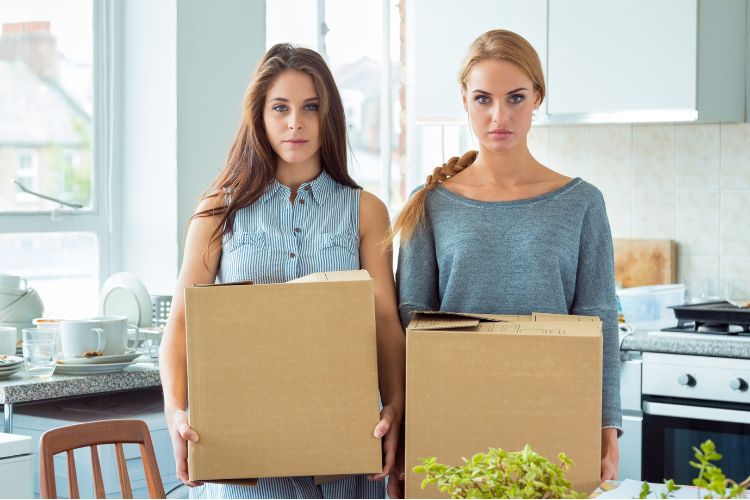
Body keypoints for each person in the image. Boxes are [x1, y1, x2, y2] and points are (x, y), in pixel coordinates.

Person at [160, 43, 405, 499]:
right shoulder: (218, 211)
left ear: (329, 116)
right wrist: (176, 411)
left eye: (311, 107)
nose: (296, 122)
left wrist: (396, 406)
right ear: (260, 116)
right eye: (281, 108)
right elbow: (181, 323)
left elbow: (385, 323)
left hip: (344, 465)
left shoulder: (366, 211)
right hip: (241, 470)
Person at [391, 29, 621, 483]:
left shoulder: (582, 203)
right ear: (464, 100)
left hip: (555, 416)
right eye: (483, 99)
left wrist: (606, 432)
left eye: (515, 98)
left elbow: (600, 322)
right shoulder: (430, 203)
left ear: (538, 96)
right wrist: (404, 438)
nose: (499, 116)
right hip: (448, 420)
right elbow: (407, 326)